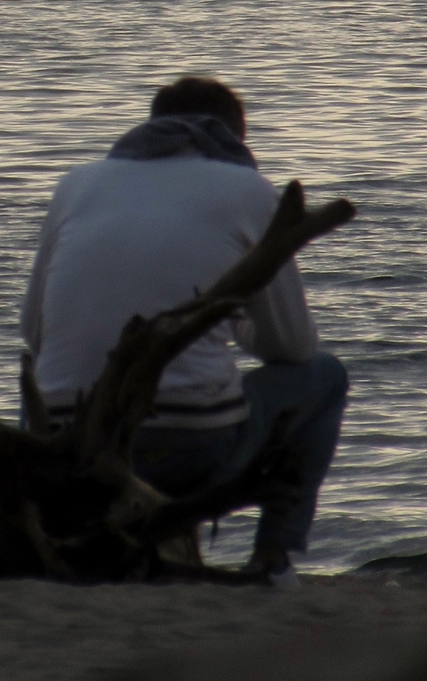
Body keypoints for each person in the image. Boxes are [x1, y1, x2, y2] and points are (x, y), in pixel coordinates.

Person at [21, 75, 348, 585]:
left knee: (49, 380)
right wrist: (232, 321)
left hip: (62, 444)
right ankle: (274, 559)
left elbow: (34, 332)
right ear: (234, 137)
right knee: (324, 377)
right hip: (184, 447)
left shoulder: (77, 183)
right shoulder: (250, 190)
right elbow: (293, 346)